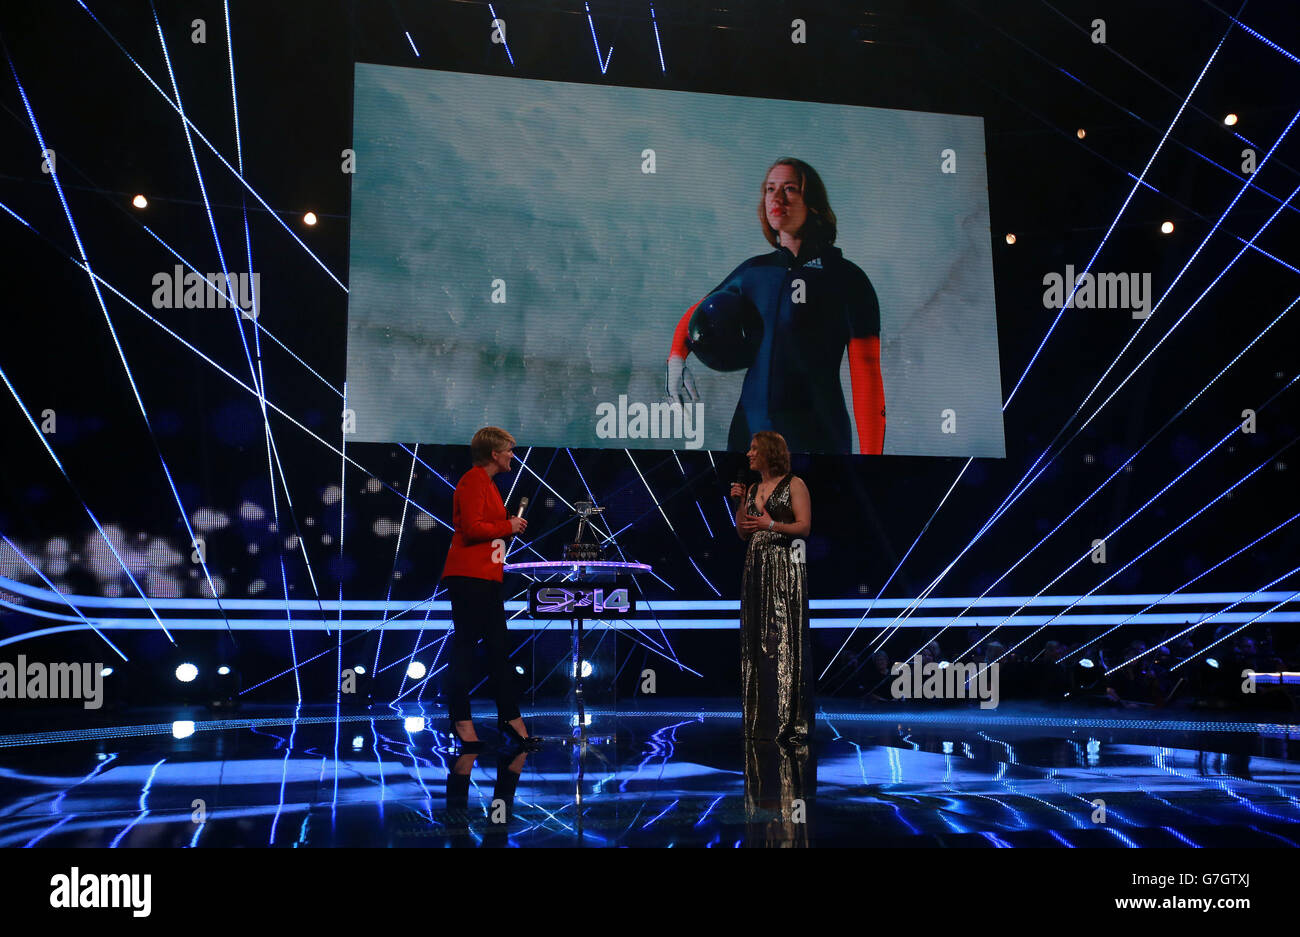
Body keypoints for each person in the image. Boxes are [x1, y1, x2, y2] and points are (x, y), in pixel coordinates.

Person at [668, 157, 886, 455]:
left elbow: (867, 375)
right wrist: (676, 362)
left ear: (813, 202)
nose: (777, 198)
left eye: (790, 189)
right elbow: (696, 315)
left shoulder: (847, 279)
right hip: (748, 439)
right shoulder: (754, 272)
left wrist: (873, 461)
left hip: (817, 443)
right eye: (770, 189)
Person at [440, 426, 539, 751]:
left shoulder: (491, 486)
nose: (513, 455)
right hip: (469, 577)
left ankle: (510, 717)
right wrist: (506, 526)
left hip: (487, 577)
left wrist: (506, 526)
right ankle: (460, 718)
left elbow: (486, 527)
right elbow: (471, 529)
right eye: (509, 450)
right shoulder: (473, 480)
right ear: (494, 454)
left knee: (499, 650)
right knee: (467, 648)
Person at [731, 431, 813, 743]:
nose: (749, 453)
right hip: (756, 567)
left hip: (784, 568)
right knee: (757, 642)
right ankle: (761, 718)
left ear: (769, 452)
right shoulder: (752, 488)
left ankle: (789, 721)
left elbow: (803, 527)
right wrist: (739, 502)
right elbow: (742, 532)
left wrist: (770, 525)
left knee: (783, 642)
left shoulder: (795, 484)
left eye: (754, 449)